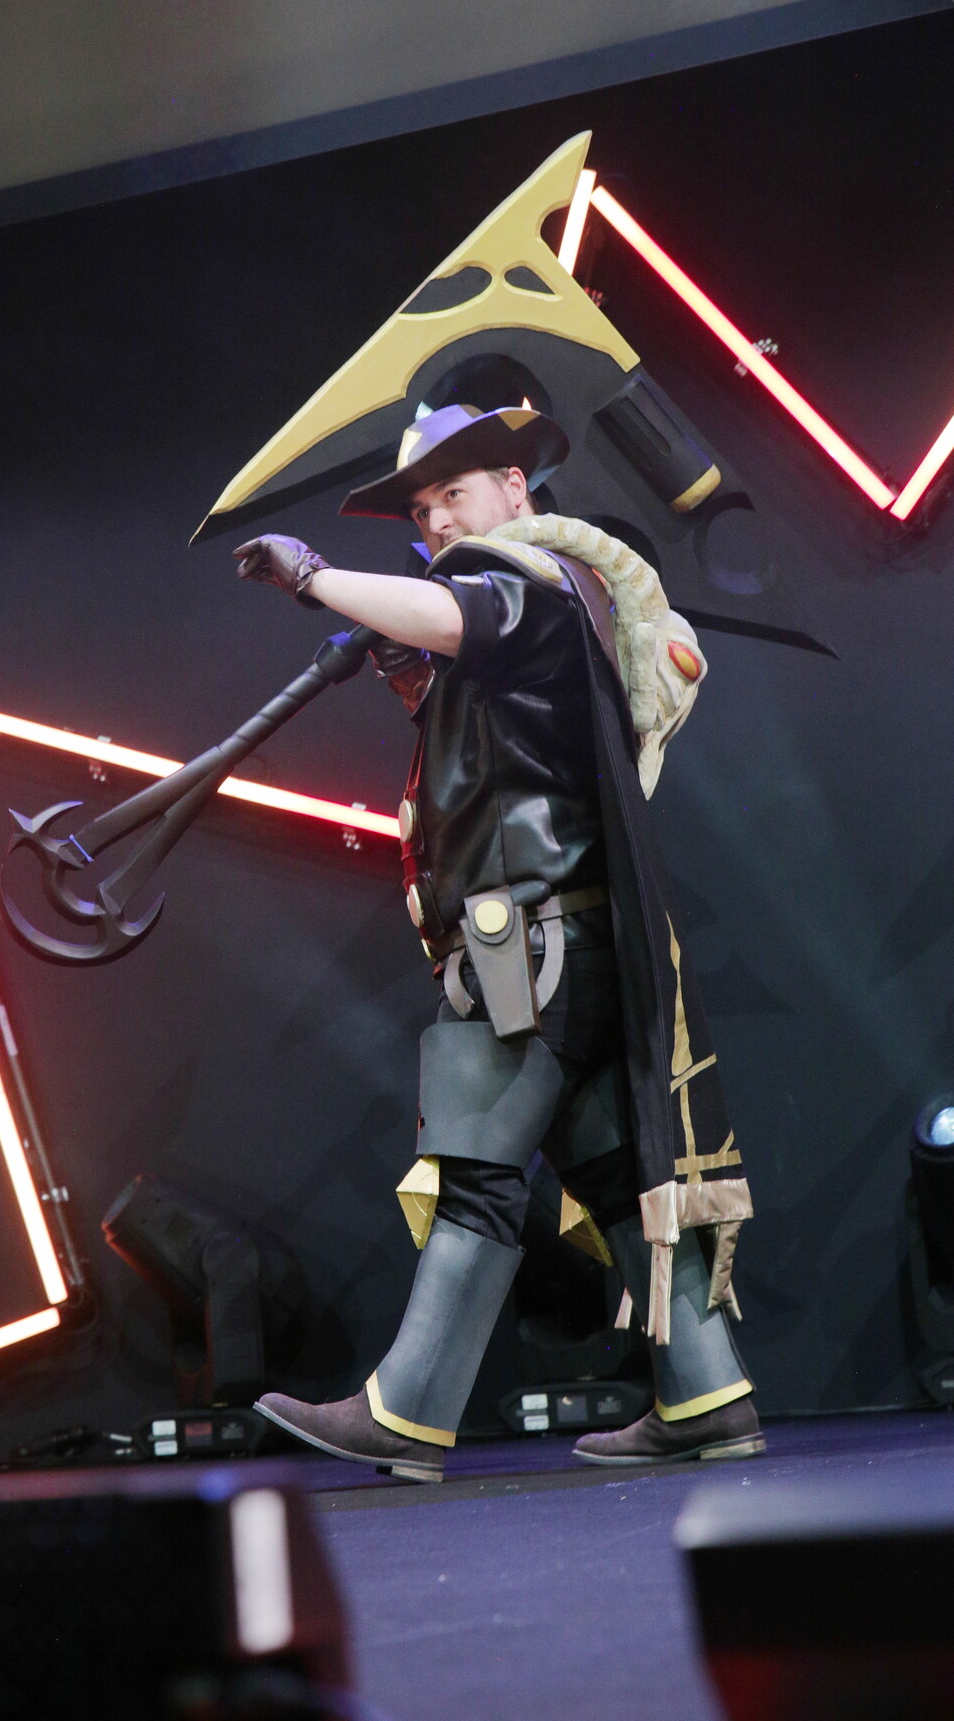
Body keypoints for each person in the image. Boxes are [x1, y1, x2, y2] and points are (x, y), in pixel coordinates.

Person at [233, 402, 759, 1483]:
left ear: (516, 487)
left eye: (453, 494)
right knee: (611, 1174)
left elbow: (459, 616)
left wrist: (316, 578)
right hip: (564, 937)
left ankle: (407, 1409)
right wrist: (405, 662)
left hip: (531, 945)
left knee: (474, 1173)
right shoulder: (549, 592)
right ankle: (708, 1395)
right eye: (422, 509)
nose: (436, 521)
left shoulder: (530, 575)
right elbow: (480, 712)